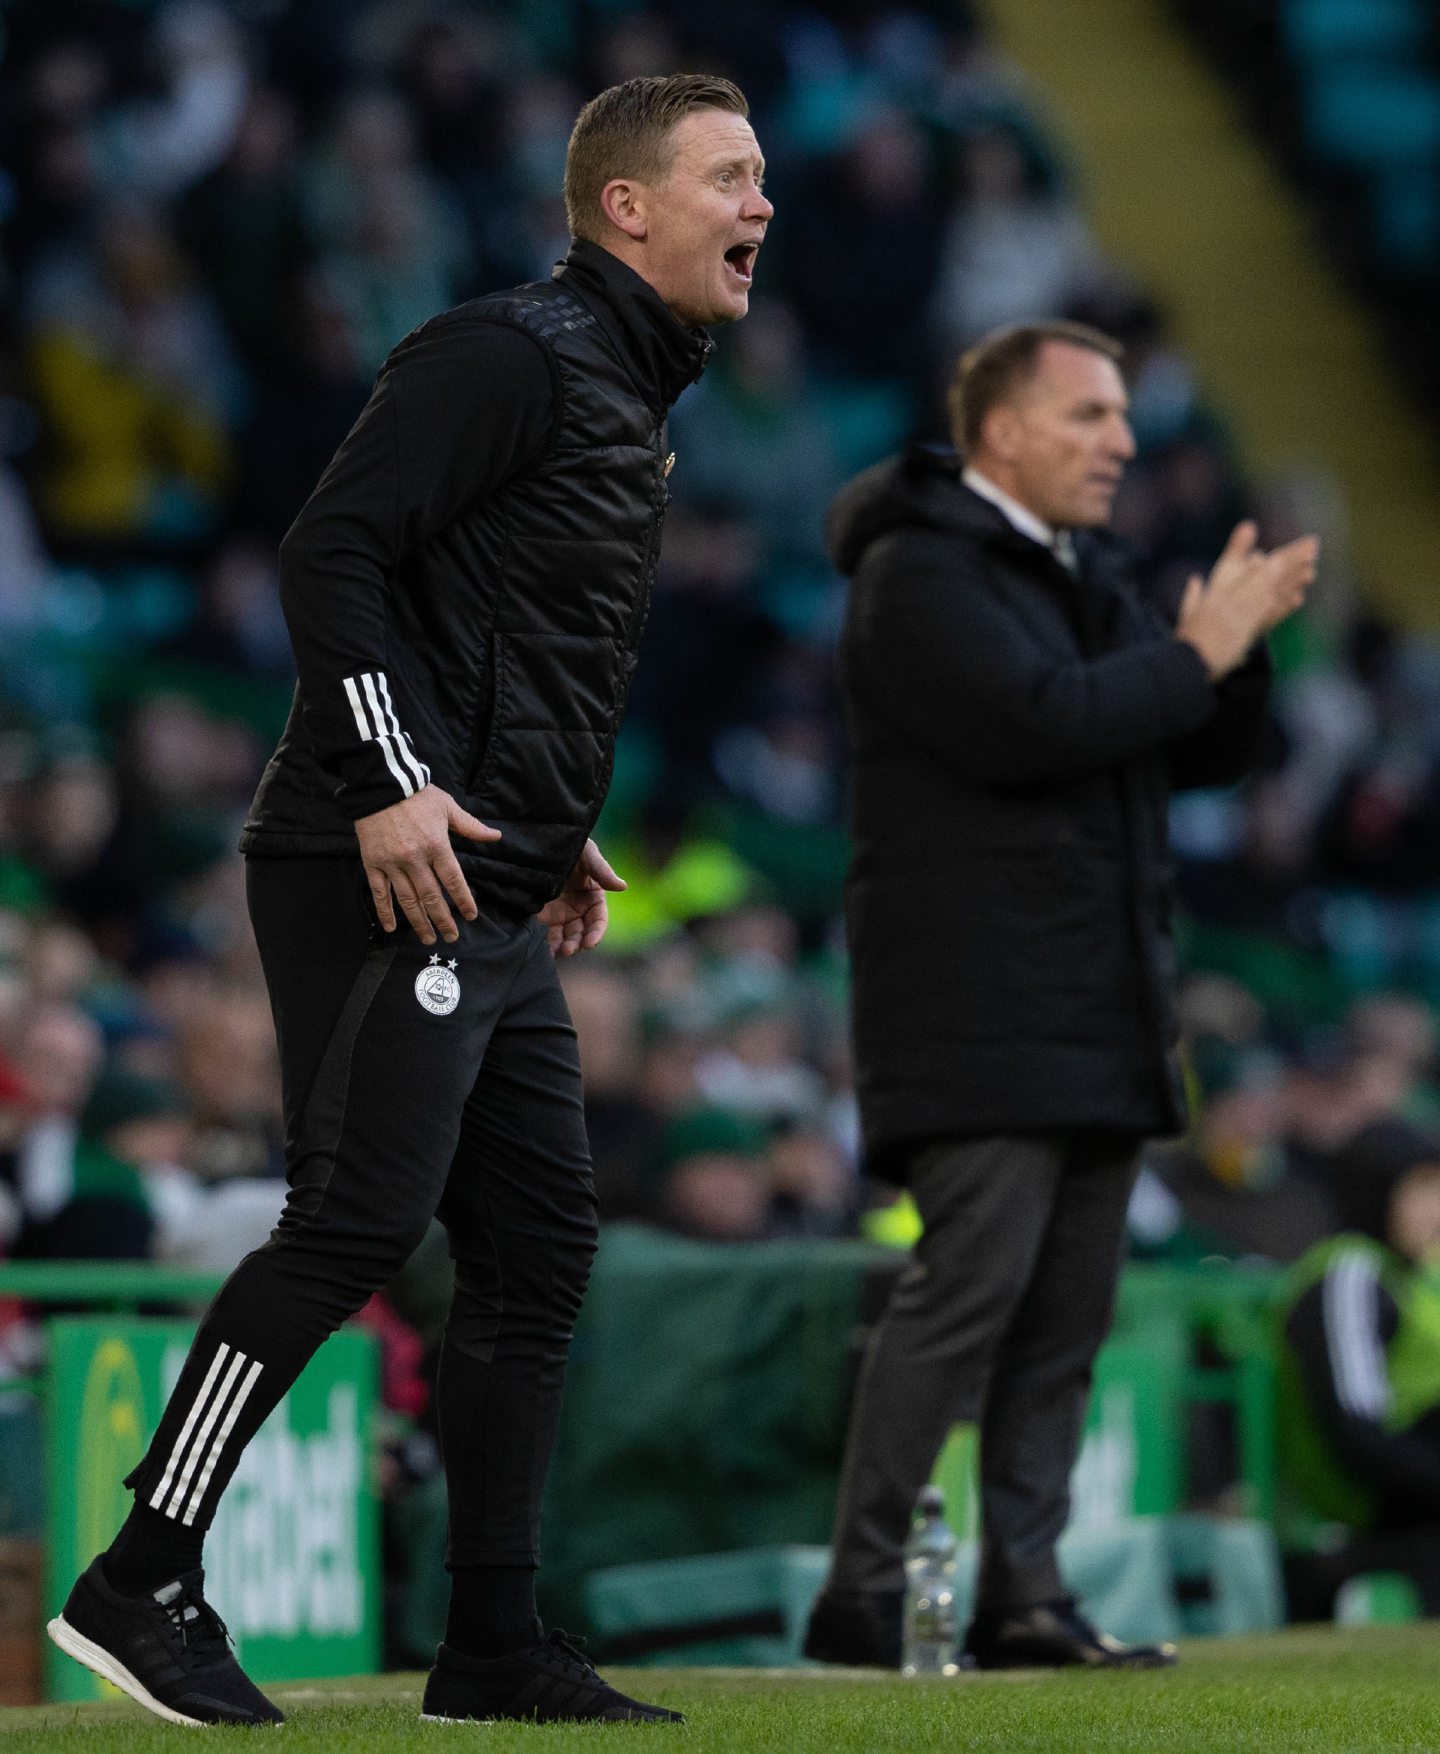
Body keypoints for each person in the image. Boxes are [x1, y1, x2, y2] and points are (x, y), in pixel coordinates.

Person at [48, 73, 771, 1728]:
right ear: (626, 206)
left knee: (538, 1244)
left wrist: (546, 822)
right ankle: (140, 1571)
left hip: (490, 874)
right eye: (730, 176)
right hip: (373, 860)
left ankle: (496, 1638)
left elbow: (501, 633)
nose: (762, 206)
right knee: (360, 1220)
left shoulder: (624, 387)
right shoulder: (507, 350)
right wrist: (392, 783)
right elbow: (334, 552)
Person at [804, 320, 1317, 1670]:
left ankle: (1025, 1591)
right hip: (976, 1002)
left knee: (1066, 1321)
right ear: (1005, 430)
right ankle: (863, 1592)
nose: (1124, 443)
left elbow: (1187, 746)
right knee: (966, 1291)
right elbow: (1040, 722)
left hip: (1097, 996)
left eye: (1123, 417)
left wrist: (1237, 642)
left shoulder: (1080, 571)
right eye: (1091, 415)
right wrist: (1191, 652)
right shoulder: (916, 574)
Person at [1279, 1135, 1440, 1619]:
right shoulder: (1350, 1269)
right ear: (1376, 1191)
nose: (1436, 1210)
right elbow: (1355, 1427)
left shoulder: (1411, 1275)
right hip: (1372, 1501)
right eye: (1422, 1190)